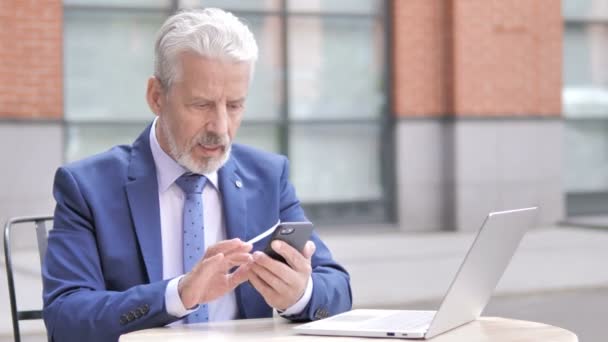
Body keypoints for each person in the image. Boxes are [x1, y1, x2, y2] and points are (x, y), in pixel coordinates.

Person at [42, 8, 352, 342]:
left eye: (234, 106)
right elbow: (65, 318)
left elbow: (337, 288)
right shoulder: (88, 188)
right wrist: (178, 295)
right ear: (156, 97)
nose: (220, 128)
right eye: (201, 105)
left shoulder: (267, 177)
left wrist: (300, 294)